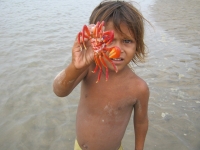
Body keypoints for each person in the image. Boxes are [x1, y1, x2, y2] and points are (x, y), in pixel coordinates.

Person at [53, 0, 149, 150]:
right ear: (94, 40)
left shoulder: (138, 88)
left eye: (127, 41)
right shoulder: (88, 68)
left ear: (138, 45)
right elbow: (59, 91)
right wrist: (75, 66)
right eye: (107, 39)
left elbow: (141, 122)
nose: (118, 49)